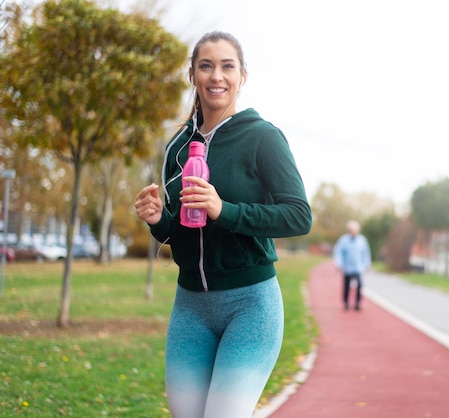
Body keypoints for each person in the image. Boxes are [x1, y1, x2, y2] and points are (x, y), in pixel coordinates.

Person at [134, 31, 312, 418]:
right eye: (206, 66)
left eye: (227, 66)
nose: (217, 76)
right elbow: (178, 234)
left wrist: (224, 209)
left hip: (250, 305)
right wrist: (156, 220)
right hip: (190, 309)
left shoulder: (262, 137)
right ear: (193, 75)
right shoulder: (176, 147)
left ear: (242, 75)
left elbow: (299, 215)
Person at [333, 220, 371, 311]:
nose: (353, 232)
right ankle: (346, 302)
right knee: (346, 286)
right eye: (352, 230)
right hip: (347, 268)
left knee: (359, 285)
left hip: (358, 267)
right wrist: (339, 264)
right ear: (349, 230)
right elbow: (338, 253)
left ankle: (358, 303)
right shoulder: (343, 240)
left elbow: (366, 253)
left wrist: (367, 265)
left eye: (355, 230)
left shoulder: (362, 240)